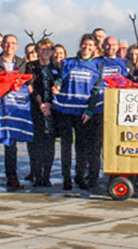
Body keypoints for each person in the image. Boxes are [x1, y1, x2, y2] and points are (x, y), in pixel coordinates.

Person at [53, 34, 103, 191]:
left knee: (82, 148)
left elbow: (96, 90)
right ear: (80, 45)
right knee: (66, 146)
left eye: (90, 45)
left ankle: (80, 176)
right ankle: (66, 177)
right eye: (84, 44)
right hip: (66, 110)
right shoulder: (69, 62)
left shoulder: (97, 65)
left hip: (83, 113)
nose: (86, 48)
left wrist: (89, 110)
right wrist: (57, 86)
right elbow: (61, 79)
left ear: (94, 48)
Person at [0, 34, 26, 190]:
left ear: (16, 46)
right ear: (2, 45)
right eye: (7, 43)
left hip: (12, 109)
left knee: (11, 145)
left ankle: (12, 177)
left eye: (13, 43)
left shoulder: (22, 62)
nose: (10, 46)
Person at [27, 39, 59, 187]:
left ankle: (46, 175)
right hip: (37, 108)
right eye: (42, 49)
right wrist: (41, 104)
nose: (45, 52)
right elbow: (31, 87)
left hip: (53, 110)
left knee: (49, 144)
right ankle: (37, 174)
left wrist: (50, 104)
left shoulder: (57, 67)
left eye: (48, 49)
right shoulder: (31, 67)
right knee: (36, 143)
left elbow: (60, 85)